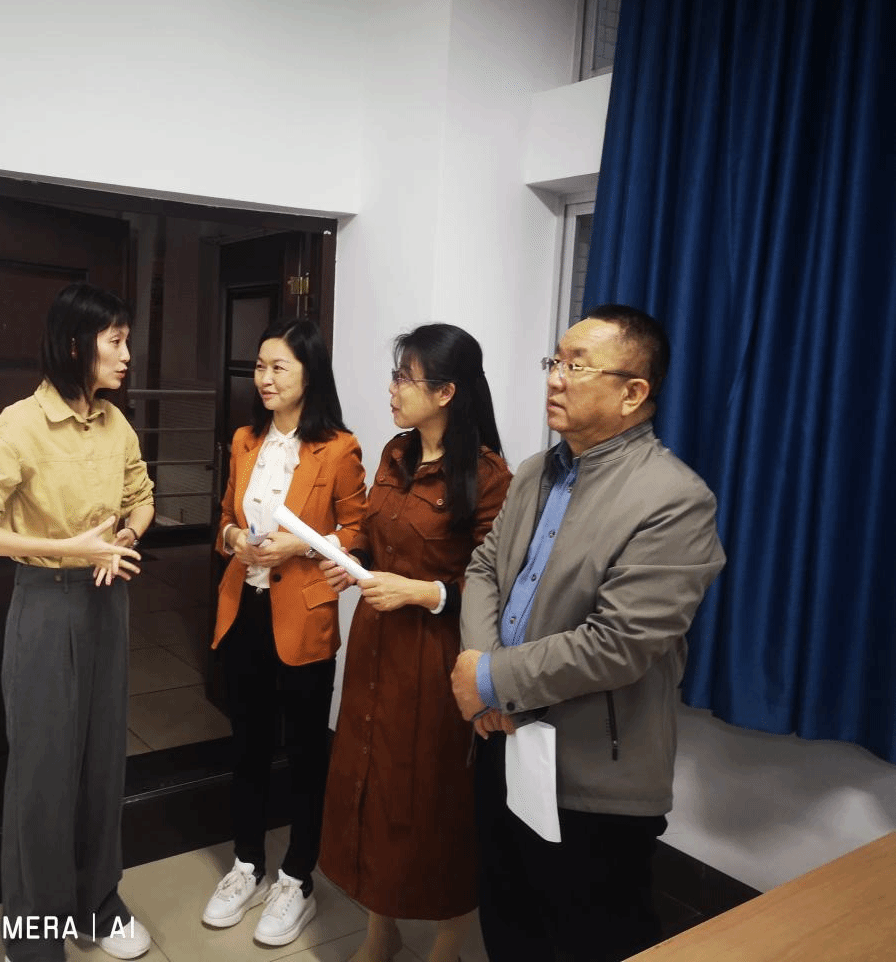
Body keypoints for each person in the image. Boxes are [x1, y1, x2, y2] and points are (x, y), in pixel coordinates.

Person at [451, 304, 726, 962]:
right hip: (502, 740)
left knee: (590, 936)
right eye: (555, 360)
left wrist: (489, 678)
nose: (555, 377)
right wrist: (483, 669)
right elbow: (485, 567)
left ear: (634, 393)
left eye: (577, 366)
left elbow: (619, 643)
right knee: (507, 920)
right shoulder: (534, 472)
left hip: (593, 775)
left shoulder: (674, 499)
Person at [0, 283, 155, 962]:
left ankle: (97, 903)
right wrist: (70, 548)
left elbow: (143, 497)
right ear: (74, 344)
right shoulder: (19, 425)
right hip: (45, 602)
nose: (126, 354)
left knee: (103, 763)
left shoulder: (116, 424)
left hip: (107, 602)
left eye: (126, 340)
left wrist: (124, 536)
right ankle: (33, 933)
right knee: (43, 772)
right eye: (115, 341)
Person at [318, 324, 512, 962]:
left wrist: (424, 592)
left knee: (431, 797)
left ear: (447, 392)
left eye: (405, 378)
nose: (393, 389)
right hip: (377, 644)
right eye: (396, 375)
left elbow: (493, 584)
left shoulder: (487, 475)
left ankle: (450, 937)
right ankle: (383, 928)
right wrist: (351, 556)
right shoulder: (395, 453)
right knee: (371, 782)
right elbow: (378, 537)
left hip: (437, 655)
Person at [200, 317, 367, 947]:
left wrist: (299, 545)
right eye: (259, 366)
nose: (264, 378)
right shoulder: (246, 439)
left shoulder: (339, 448)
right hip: (243, 609)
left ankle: (298, 876)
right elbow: (224, 519)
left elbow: (359, 530)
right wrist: (234, 538)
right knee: (247, 743)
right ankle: (247, 864)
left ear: (309, 374)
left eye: (279, 367)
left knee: (304, 751)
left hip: (303, 615)